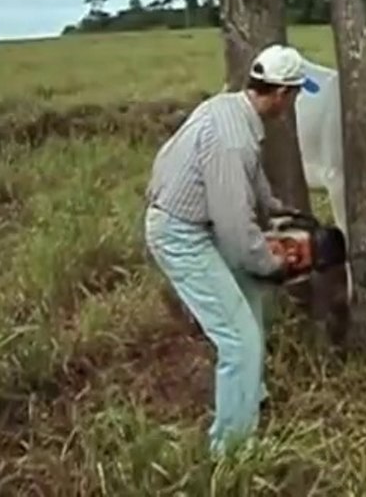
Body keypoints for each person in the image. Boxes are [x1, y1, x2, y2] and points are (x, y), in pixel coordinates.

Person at [143, 43, 319, 453]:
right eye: (295, 94)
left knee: (248, 296)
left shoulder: (228, 108)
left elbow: (248, 174)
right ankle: (233, 450)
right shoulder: (233, 141)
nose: (294, 103)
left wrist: (274, 206)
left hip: (194, 221)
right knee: (239, 339)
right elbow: (238, 233)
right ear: (281, 94)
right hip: (181, 234)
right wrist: (274, 263)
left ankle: (248, 395)